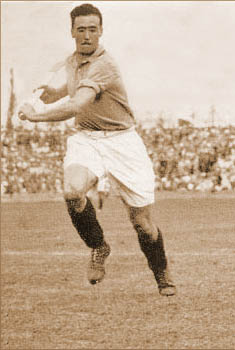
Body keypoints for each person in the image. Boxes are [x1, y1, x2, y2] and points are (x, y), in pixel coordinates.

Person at [17, 4, 176, 296]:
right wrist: (44, 95)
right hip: (86, 139)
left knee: (143, 224)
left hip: (123, 142)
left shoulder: (106, 64)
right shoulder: (72, 61)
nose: (87, 35)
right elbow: (68, 90)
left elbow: (78, 104)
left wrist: (36, 116)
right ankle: (98, 247)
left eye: (93, 29)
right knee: (72, 191)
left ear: (101, 31)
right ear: (72, 32)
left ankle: (161, 272)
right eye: (81, 29)